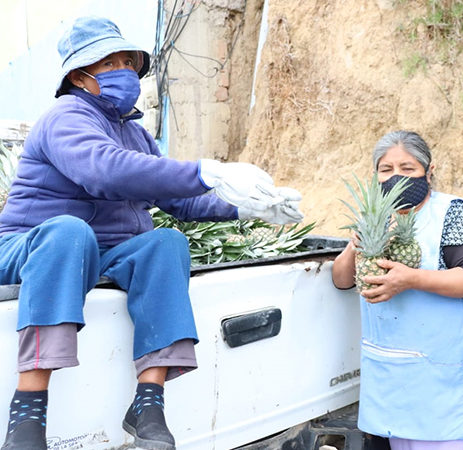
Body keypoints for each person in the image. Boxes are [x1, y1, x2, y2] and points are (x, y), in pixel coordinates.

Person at [0, 16, 303, 450]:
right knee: (68, 232)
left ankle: (148, 402)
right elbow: (104, 170)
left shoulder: (137, 134)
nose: (125, 70)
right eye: (110, 63)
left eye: (128, 60)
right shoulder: (65, 116)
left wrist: (246, 207)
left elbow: (179, 203)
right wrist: (203, 170)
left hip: (101, 251)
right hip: (31, 247)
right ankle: (27, 413)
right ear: (79, 77)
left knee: (165, 242)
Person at [332, 130, 463, 450]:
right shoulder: (375, 216)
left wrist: (411, 278)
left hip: (441, 372)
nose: (396, 177)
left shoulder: (451, 212)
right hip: (388, 369)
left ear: (428, 171)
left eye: (407, 168)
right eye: (386, 170)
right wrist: (354, 246)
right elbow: (342, 280)